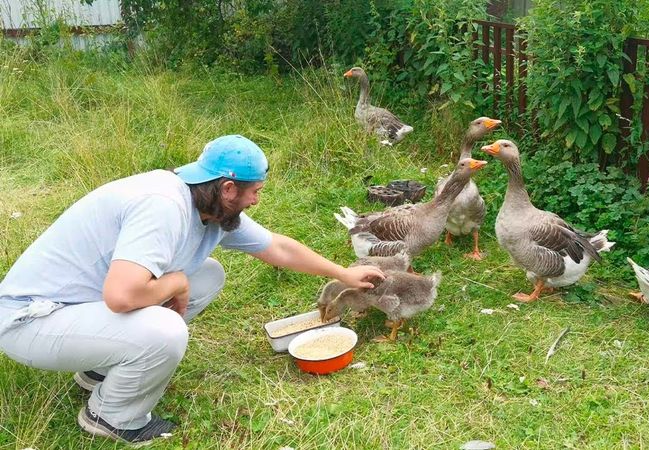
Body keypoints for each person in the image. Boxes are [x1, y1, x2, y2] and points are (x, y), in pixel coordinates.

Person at [0, 135, 384, 446]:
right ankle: (111, 417)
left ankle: (99, 370)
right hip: (31, 323)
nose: (256, 200)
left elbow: (277, 247)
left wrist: (345, 274)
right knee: (165, 330)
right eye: (255, 192)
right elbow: (122, 297)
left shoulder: (210, 206)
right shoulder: (163, 206)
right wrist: (176, 282)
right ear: (228, 188)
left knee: (208, 275)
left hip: (76, 309)